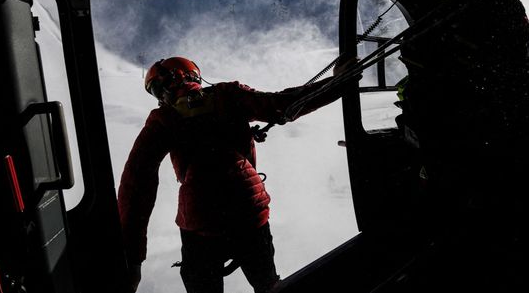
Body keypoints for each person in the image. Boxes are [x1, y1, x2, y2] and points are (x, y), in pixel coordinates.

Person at [117, 56, 358, 293]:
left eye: (158, 91)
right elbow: (282, 103)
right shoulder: (228, 96)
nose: (160, 99)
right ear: (194, 76)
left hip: (201, 220)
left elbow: (136, 185)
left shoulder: (163, 119)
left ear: (166, 87)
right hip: (249, 211)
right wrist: (336, 83)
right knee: (267, 284)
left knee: (200, 281)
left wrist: (132, 257)